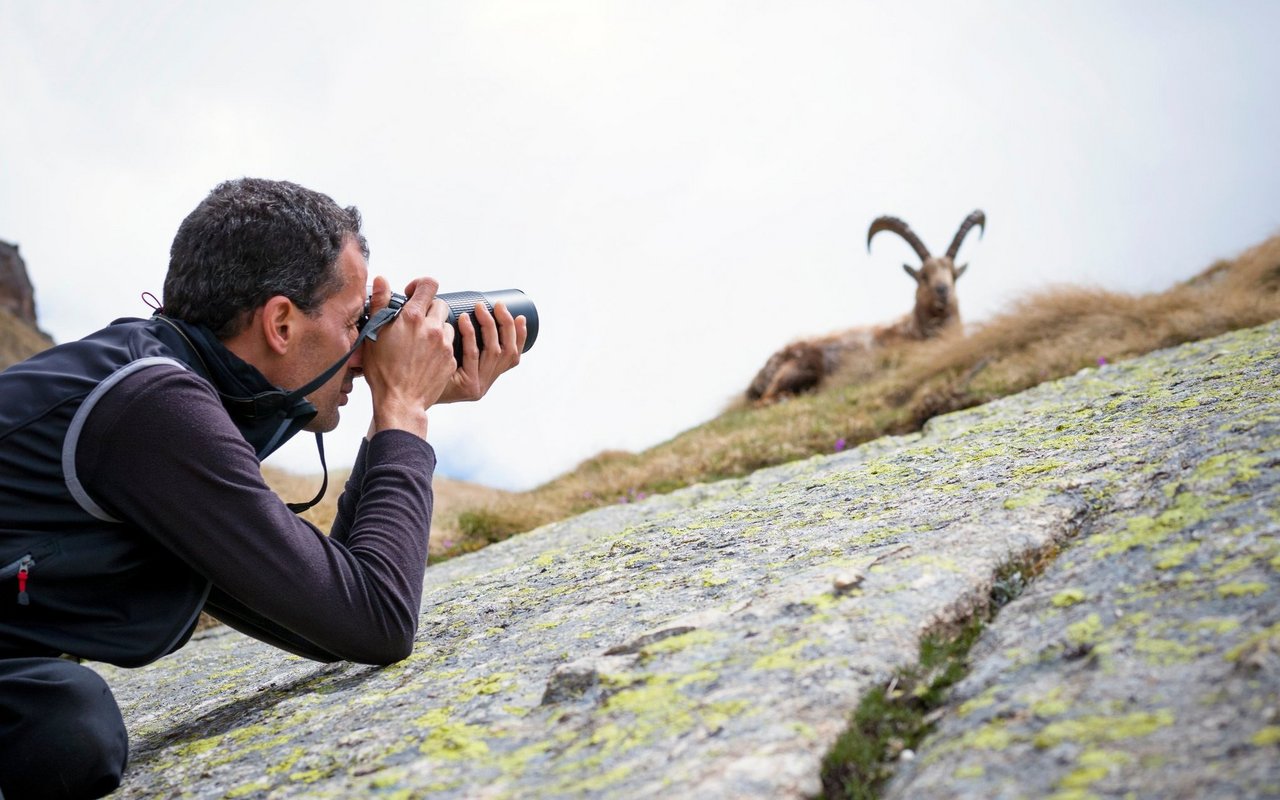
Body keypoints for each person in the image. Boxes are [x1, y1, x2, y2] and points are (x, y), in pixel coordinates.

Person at [0, 178, 527, 799]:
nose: (365, 350)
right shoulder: (151, 409)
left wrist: (396, 411)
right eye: (356, 321)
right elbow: (374, 619)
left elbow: (324, 612)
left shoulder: (157, 384)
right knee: (64, 728)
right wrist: (403, 407)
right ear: (280, 321)